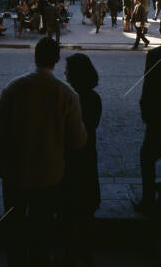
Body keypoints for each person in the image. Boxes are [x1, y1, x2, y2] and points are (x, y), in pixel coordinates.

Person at [0, 38, 87, 267]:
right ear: (57, 60)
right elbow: (77, 140)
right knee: (41, 228)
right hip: (49, 174)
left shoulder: (15, 87)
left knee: (14, 226)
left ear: (35, 57)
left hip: (15, 171)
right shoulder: (67, 94)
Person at [60, 53, 102, 266]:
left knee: (68, 208)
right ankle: (85, 251)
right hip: (87, 158)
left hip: (71, 160)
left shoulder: (69, 97)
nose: (64, 72)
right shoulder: (94, 98)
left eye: (67, 69)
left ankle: (68, 252)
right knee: (85, 208)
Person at [132, 15, 161, 217]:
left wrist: (145, 111)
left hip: (159, 117)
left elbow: (149, 87)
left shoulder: (155, 54)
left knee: (147, 157)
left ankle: (148, 198)